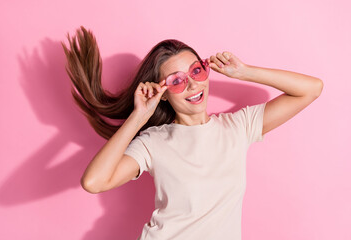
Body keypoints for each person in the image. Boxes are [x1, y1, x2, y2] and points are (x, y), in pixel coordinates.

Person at [62, 26, 323, 240]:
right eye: (176, 81)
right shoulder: (153, 142)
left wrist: (243, 72)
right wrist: (139, 115)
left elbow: (311, 88)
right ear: (163, 95)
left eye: (196, 71)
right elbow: (94, 182)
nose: (192, 84)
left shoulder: (237, 127)